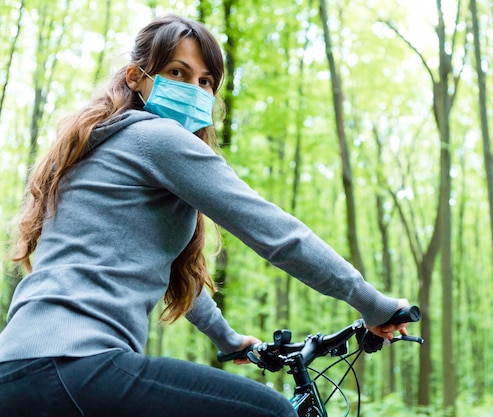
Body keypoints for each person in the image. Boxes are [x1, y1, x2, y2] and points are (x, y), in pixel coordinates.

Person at [0, 14, 412, 417]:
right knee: (271, 410)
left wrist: (227, 338)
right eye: (177, 73)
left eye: (205, 81)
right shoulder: (156, 138)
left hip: (16, 372)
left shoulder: (92, 148)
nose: (194, 89)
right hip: (77, 364)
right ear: (135, 77)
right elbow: (274, 233)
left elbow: (158, 263)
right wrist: (372, 303)